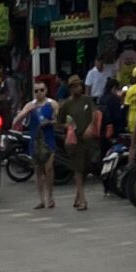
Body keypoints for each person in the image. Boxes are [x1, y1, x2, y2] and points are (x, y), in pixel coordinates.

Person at [61, 74, 101, 212]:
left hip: (87, 140)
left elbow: (95, 114)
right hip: (75, 140)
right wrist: (68, 126)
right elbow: (60, 120)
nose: (77, 88)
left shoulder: (87, 100)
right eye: (73, 86)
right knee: (78, 170)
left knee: (86, 168)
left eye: (78, 85)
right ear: (70, 89)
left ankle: (78, 195)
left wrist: (91, 127)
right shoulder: (67, 104)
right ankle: (83, 200)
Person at [17, 77, 59, 209]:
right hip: (35, 141)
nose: (39, 93)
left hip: (48, 140)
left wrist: (50, 122)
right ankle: (41, 199)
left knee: (49, 169)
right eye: (36, 91)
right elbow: (20, 117)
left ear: (46, 90)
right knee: (38, 171)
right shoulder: (30, 105)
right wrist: (22, 115)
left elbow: (59, 120)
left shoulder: (52, 104)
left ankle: (50, 197)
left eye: (41, 90)